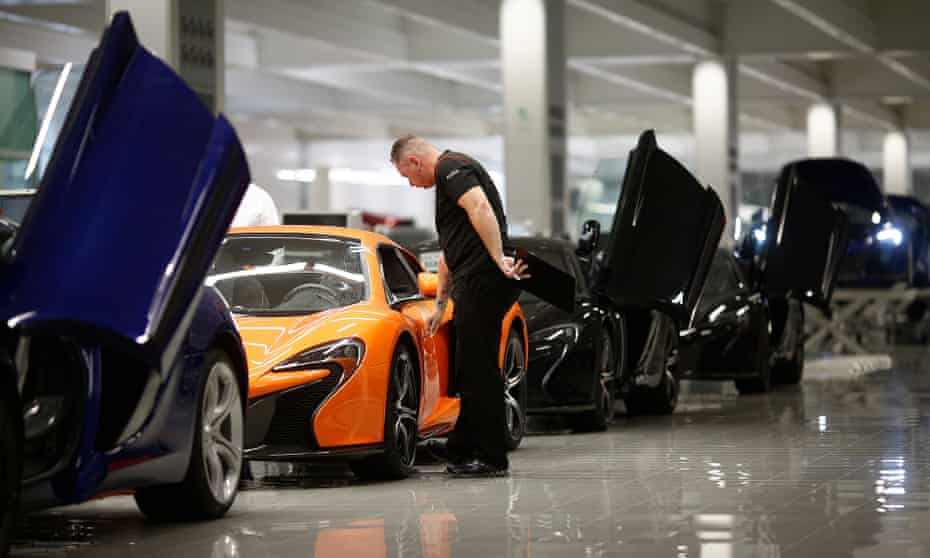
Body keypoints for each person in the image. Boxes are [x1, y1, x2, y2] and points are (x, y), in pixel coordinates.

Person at [391, 135, 529, 477]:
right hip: (473, 280)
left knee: (480, 370)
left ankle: (491, 457)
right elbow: (448, 254)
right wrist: (440, 306)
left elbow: (480, 207)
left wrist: (498, 257)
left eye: (407, 176)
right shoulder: (448, 179)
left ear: (415, 162)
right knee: (468, 368)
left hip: (483, 278)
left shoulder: (452, 168)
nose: (412, 184)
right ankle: (463, 446)